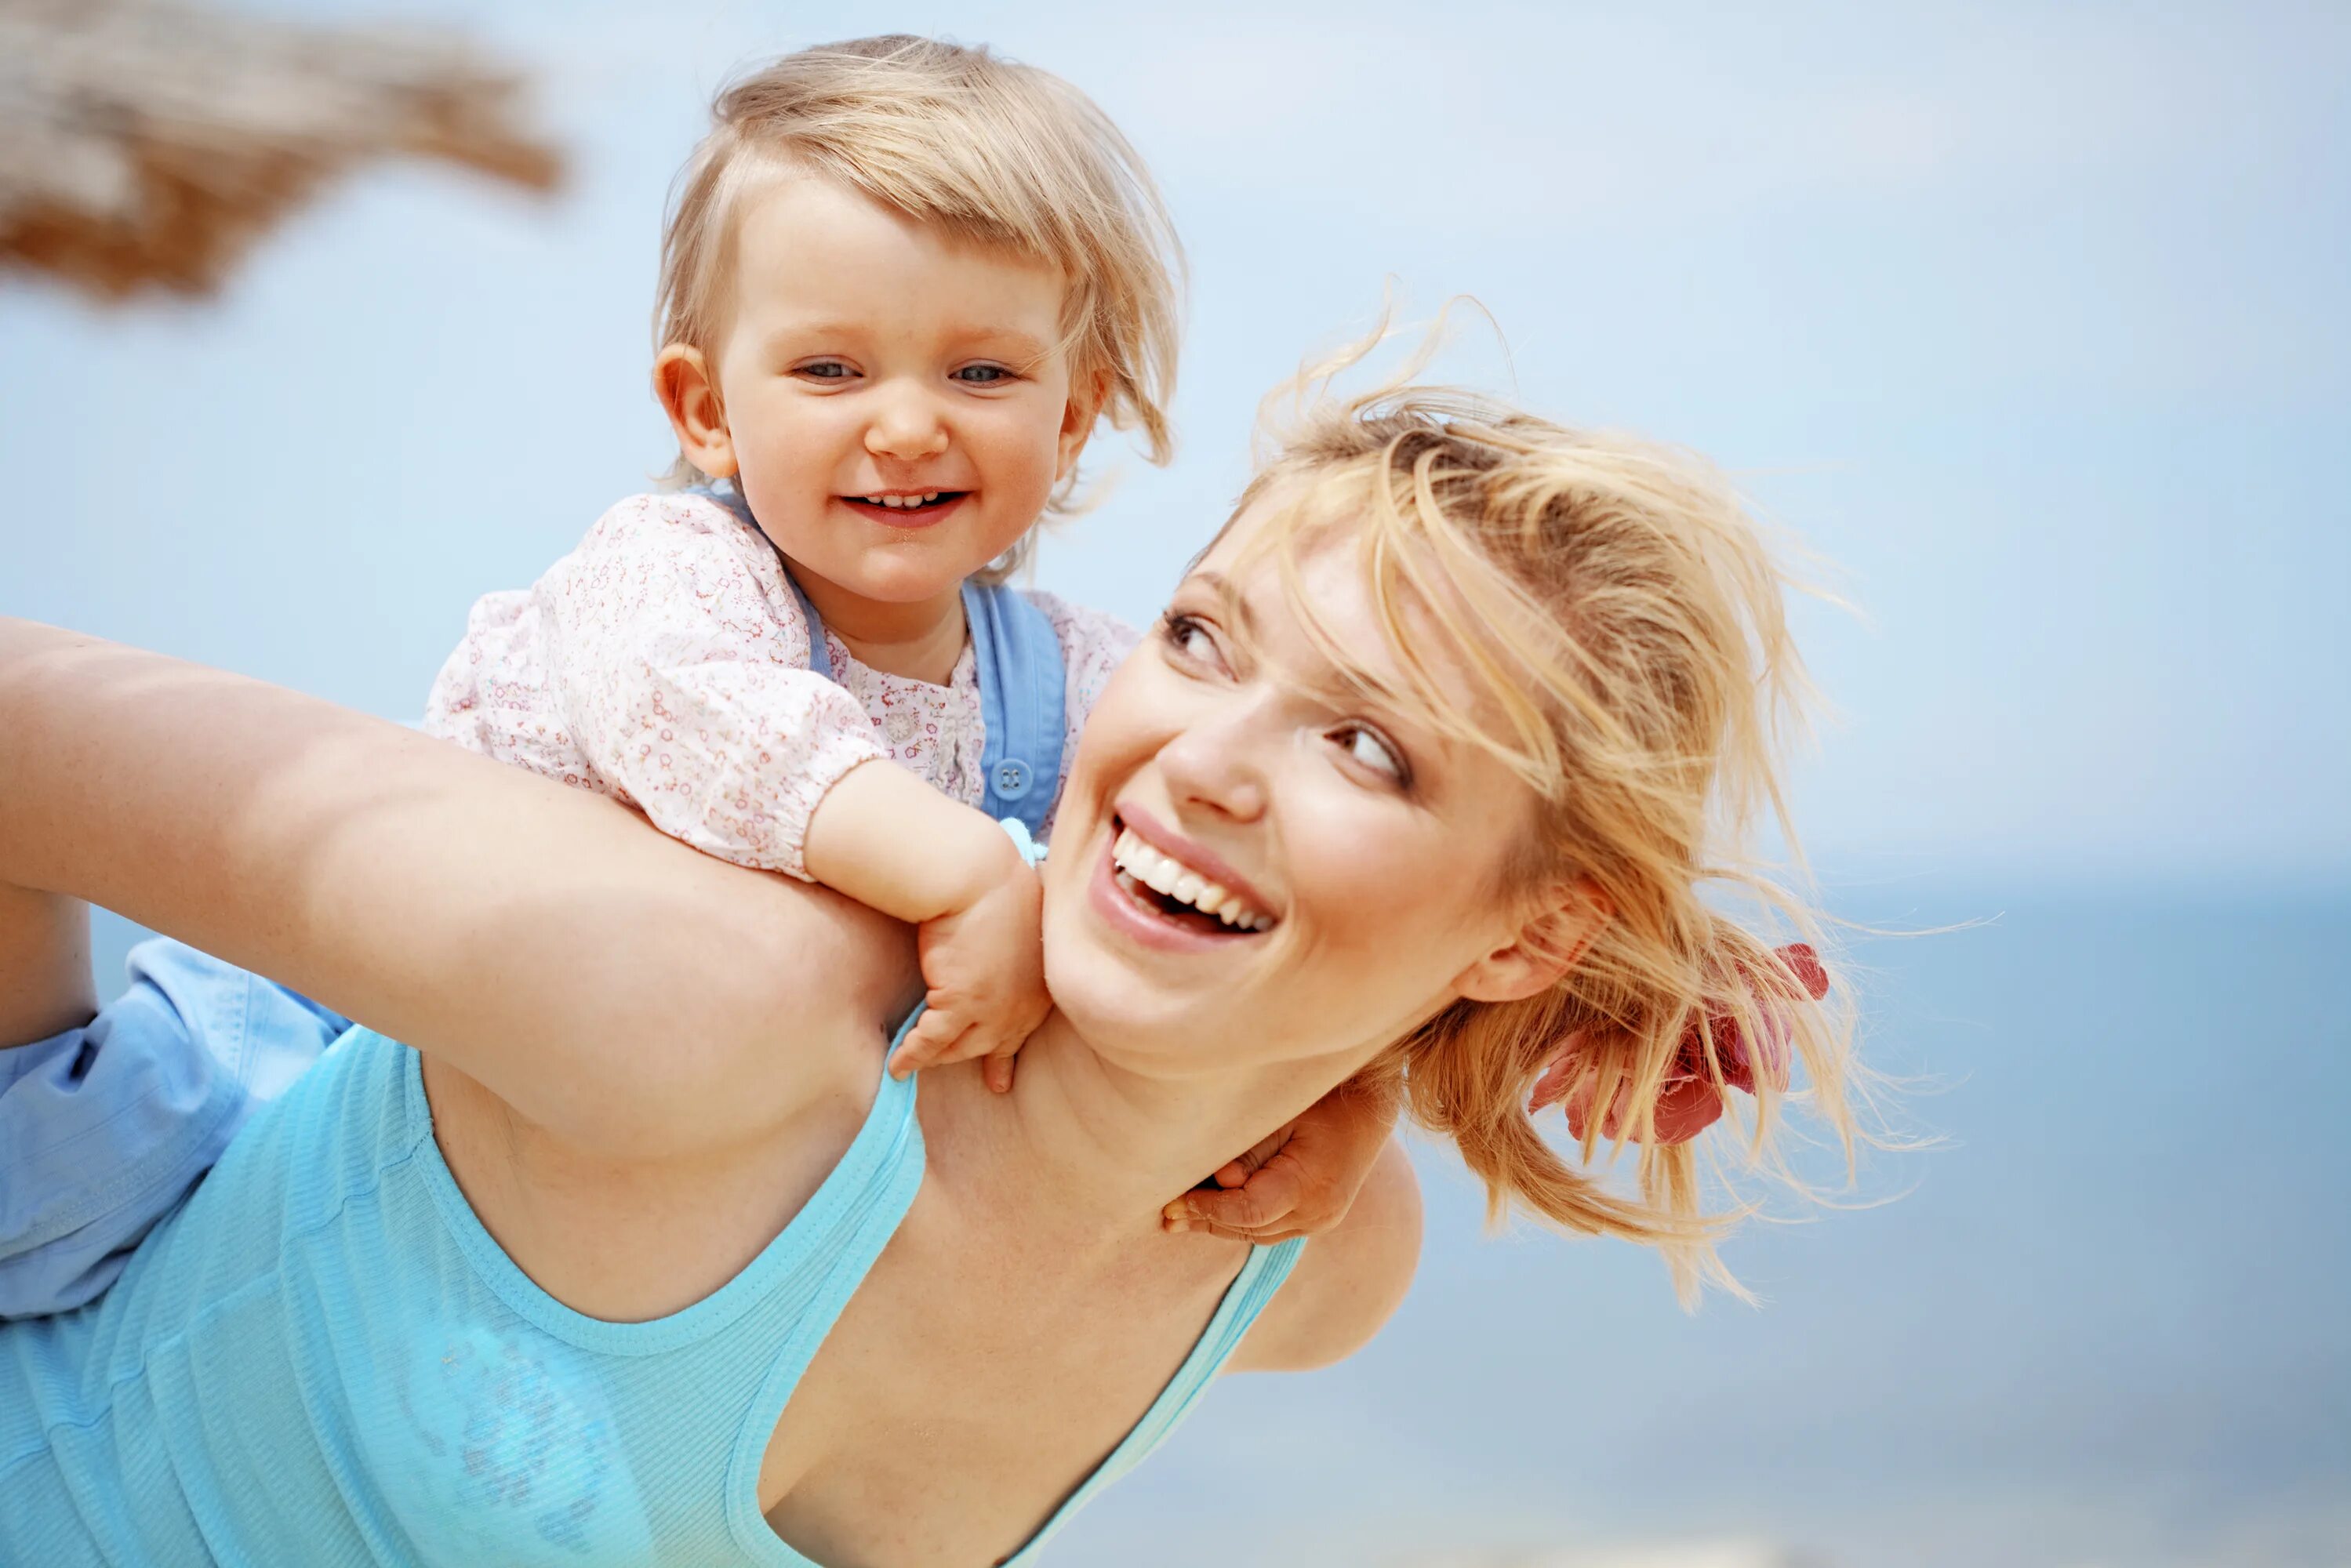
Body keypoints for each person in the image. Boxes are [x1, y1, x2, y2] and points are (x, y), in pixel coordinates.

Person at [0, 363, 1859, 1565]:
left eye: (1367, 748)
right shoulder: (709, 1006)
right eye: (1203, 640)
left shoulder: (1307, 1266)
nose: (1204, 760)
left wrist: (1361, 1073)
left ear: (1538, 933)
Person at [0, 34, 1390, 1322]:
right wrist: (966, 871)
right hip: (317, 1048)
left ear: (1070, 413)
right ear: (707, 410)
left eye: (980, 370)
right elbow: (703, 718)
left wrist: (1340, 1092)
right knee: (58, 1211)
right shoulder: (669, 573)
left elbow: (1208, 864)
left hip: (599, 1194)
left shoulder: (1072, 675)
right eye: (832, 368)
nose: (907, 425)